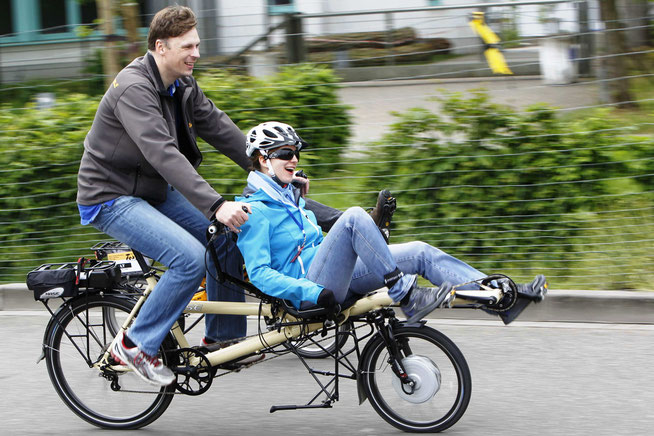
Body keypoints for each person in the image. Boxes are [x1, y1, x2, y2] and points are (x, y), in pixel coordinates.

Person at [76, 6, 387, 387]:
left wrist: (276, 169)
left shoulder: (182, 87)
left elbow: (226, 133)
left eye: (198, 44)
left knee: (228, 236)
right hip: (111, 196)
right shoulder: (135, 89)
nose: (196, 53)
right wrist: (216, 205)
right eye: (187, 46)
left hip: (153, 190)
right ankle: (136, 343)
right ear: (160, 46)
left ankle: (223, 340)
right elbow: (163, 153)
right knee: (189, 260)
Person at [235, 122, 548, 323]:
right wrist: (313, 292)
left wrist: (296, 198)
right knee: (354, 217)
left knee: (420, 252)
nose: (294, 160)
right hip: (311, 292)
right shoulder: (254, 210)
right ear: (263, 158)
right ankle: (405, 293)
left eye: (296, 154)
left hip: (331, 274)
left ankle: (502, 296)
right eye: (285, 153)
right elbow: (261, 274)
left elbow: (315, 244)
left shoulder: (287, 197)